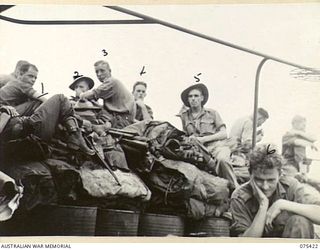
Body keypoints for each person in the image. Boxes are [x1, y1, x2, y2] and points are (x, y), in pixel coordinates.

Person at [230, 144, 320, 238]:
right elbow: (246, 244)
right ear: (250, 173)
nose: (265, 187)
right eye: (259, 180)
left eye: (271, 180)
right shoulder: (239, 196)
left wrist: (282, 204)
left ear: (280, 174)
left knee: (299, 221)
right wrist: (263, 205)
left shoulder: (290, 186)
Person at [179, 83, 239, 189]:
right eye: (190, 96)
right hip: (197, 149)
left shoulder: (212, 113)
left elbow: (224, 133)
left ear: (202, 98)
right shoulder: (184, 116)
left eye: (196, 96)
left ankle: (235, 188)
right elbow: (185, 135)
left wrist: (204, 139)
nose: (193, 99)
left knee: (222, 160)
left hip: (216, 146)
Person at [0, 94, 95, 156]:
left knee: (52, 108)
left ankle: (76, 134)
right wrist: (5, 114)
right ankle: (76, 133)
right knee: (60, 99)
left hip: (26, 128)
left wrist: (4, 109)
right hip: (27, 130)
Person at [79, 60, 135, 129]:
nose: (99, 74)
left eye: (102, 71)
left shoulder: (112, 82)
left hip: (121, 121)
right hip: (120, 119)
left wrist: (81, 94)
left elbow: (91, 94)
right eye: (97, 72)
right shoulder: (111, 83)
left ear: (109, 71)